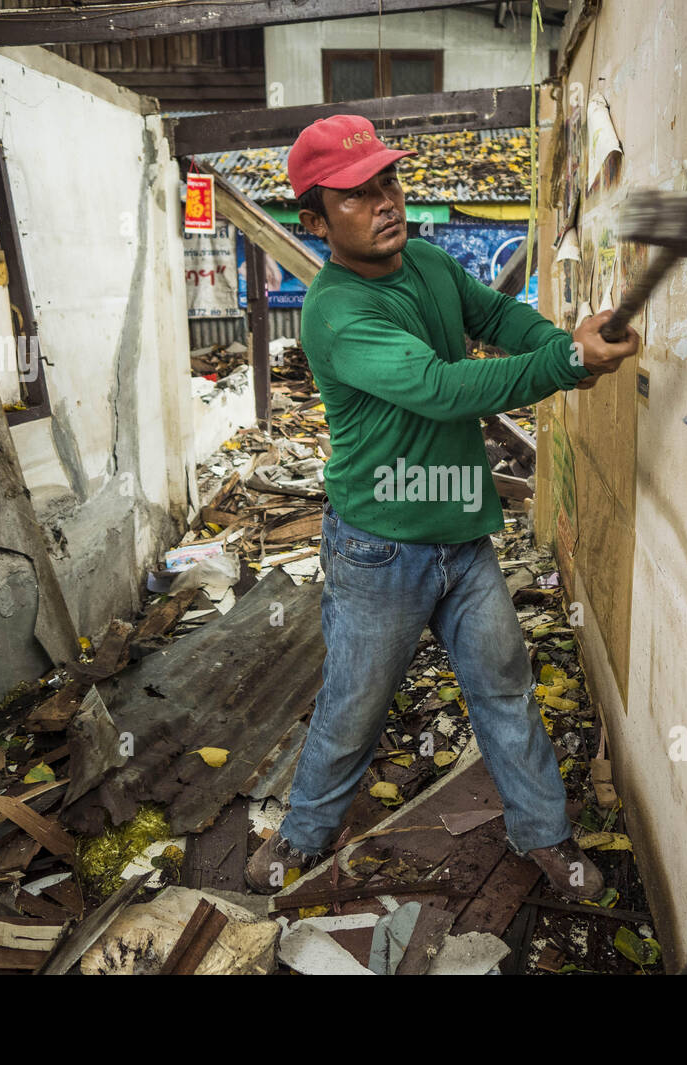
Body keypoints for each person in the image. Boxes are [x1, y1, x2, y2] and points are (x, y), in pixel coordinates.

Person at [245, 114, 639, 901]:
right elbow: (439, 387)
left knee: (505, 689)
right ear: (316, 224)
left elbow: (497, 320)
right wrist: (565, 362)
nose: (385, 201)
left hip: (461, 534)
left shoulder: (427, 261)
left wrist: (562, 343)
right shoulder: (333, 311)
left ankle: (546, 836)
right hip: (379, 548)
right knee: (354, 708)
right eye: (357, 195)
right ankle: (304, 833)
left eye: (388, 181)